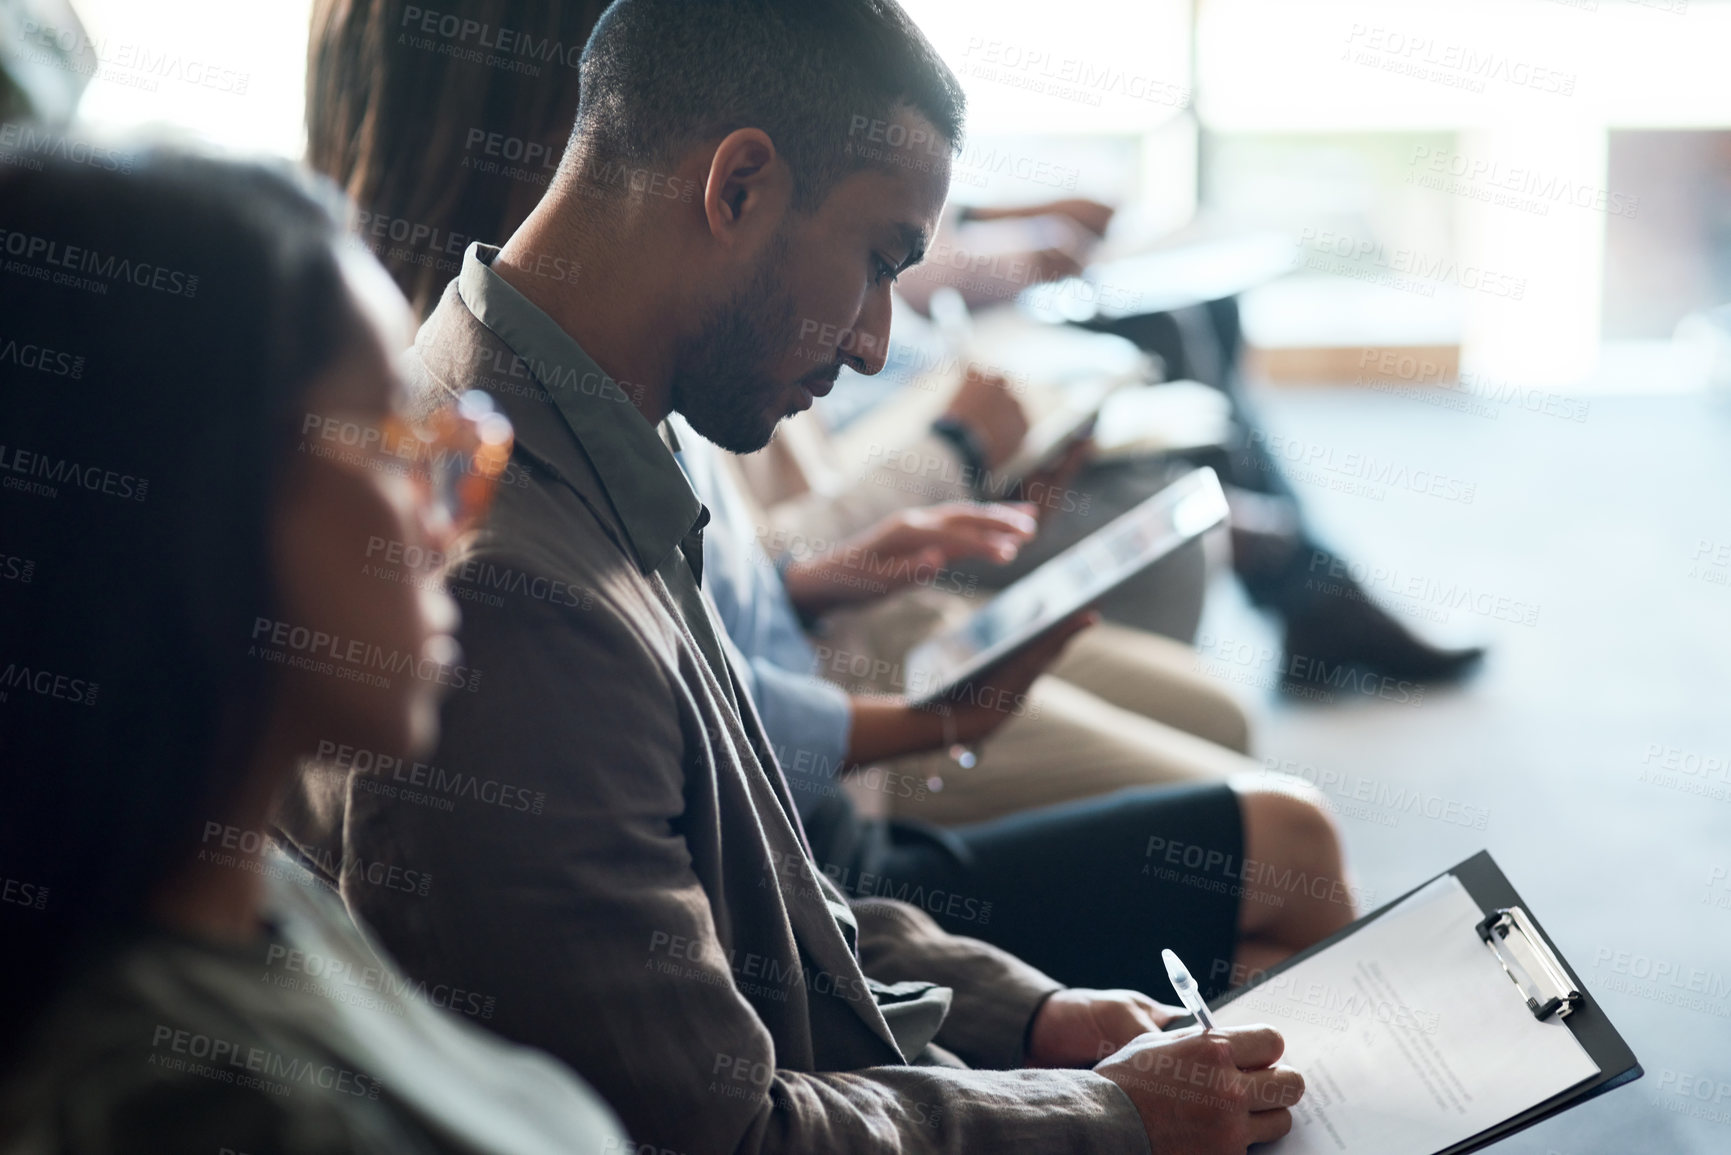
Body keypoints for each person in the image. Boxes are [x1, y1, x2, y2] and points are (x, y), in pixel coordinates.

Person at [277, 1, 1309, 1151]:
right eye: (878, 262)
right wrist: (1105, 1115)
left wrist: (1033, 1018)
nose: (875, 338)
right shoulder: (521, 603)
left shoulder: (563, 407)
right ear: (739, 188)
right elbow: (723, 1139)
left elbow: (760, 887)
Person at [0, 149, 626, 1153]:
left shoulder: (249, 887)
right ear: (192, 492)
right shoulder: (180, 1109)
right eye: (391, 442)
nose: (446, 524)